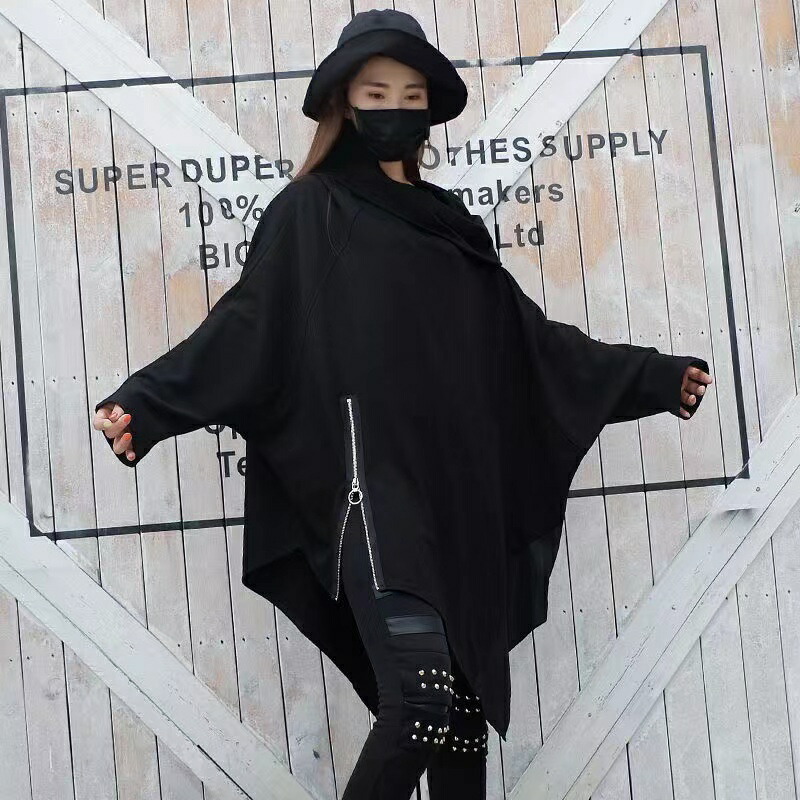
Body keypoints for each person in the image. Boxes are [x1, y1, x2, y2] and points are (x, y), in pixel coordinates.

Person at [92, 9, 713, 799]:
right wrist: (146, 406)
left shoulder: (452, 229)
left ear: (428, 111)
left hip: (453, 500)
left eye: (411, 95)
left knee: (460, 720)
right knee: (420, 701)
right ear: (345, 103)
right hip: (371, 491)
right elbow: (245, 327)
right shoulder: (313, 212)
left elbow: (531, 346)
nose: (394, 107)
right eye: (376, 92)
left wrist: (653, 377)